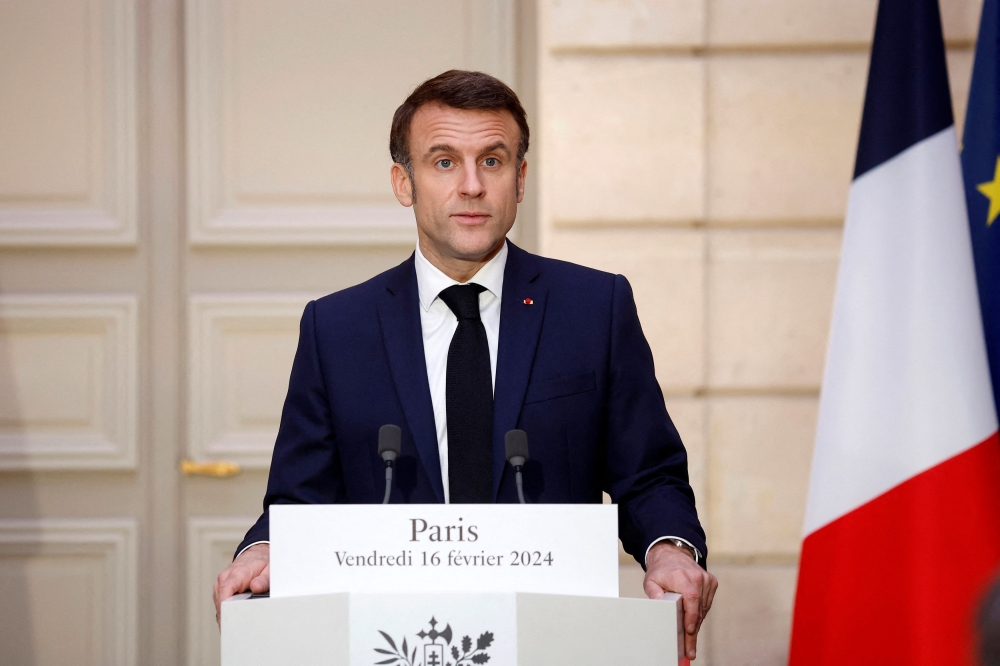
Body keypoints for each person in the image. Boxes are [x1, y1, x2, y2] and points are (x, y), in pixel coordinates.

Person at [213, 69, 717, 660]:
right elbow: (298, 503)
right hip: (392, 640)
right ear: (404, 182)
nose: (472, 185)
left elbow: (649, 474)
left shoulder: (595, 308)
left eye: (494, 160)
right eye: (445, 162)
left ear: (521, 179)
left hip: (554, 638)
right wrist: (262, 551)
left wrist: (671, 548)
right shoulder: (337, 327)